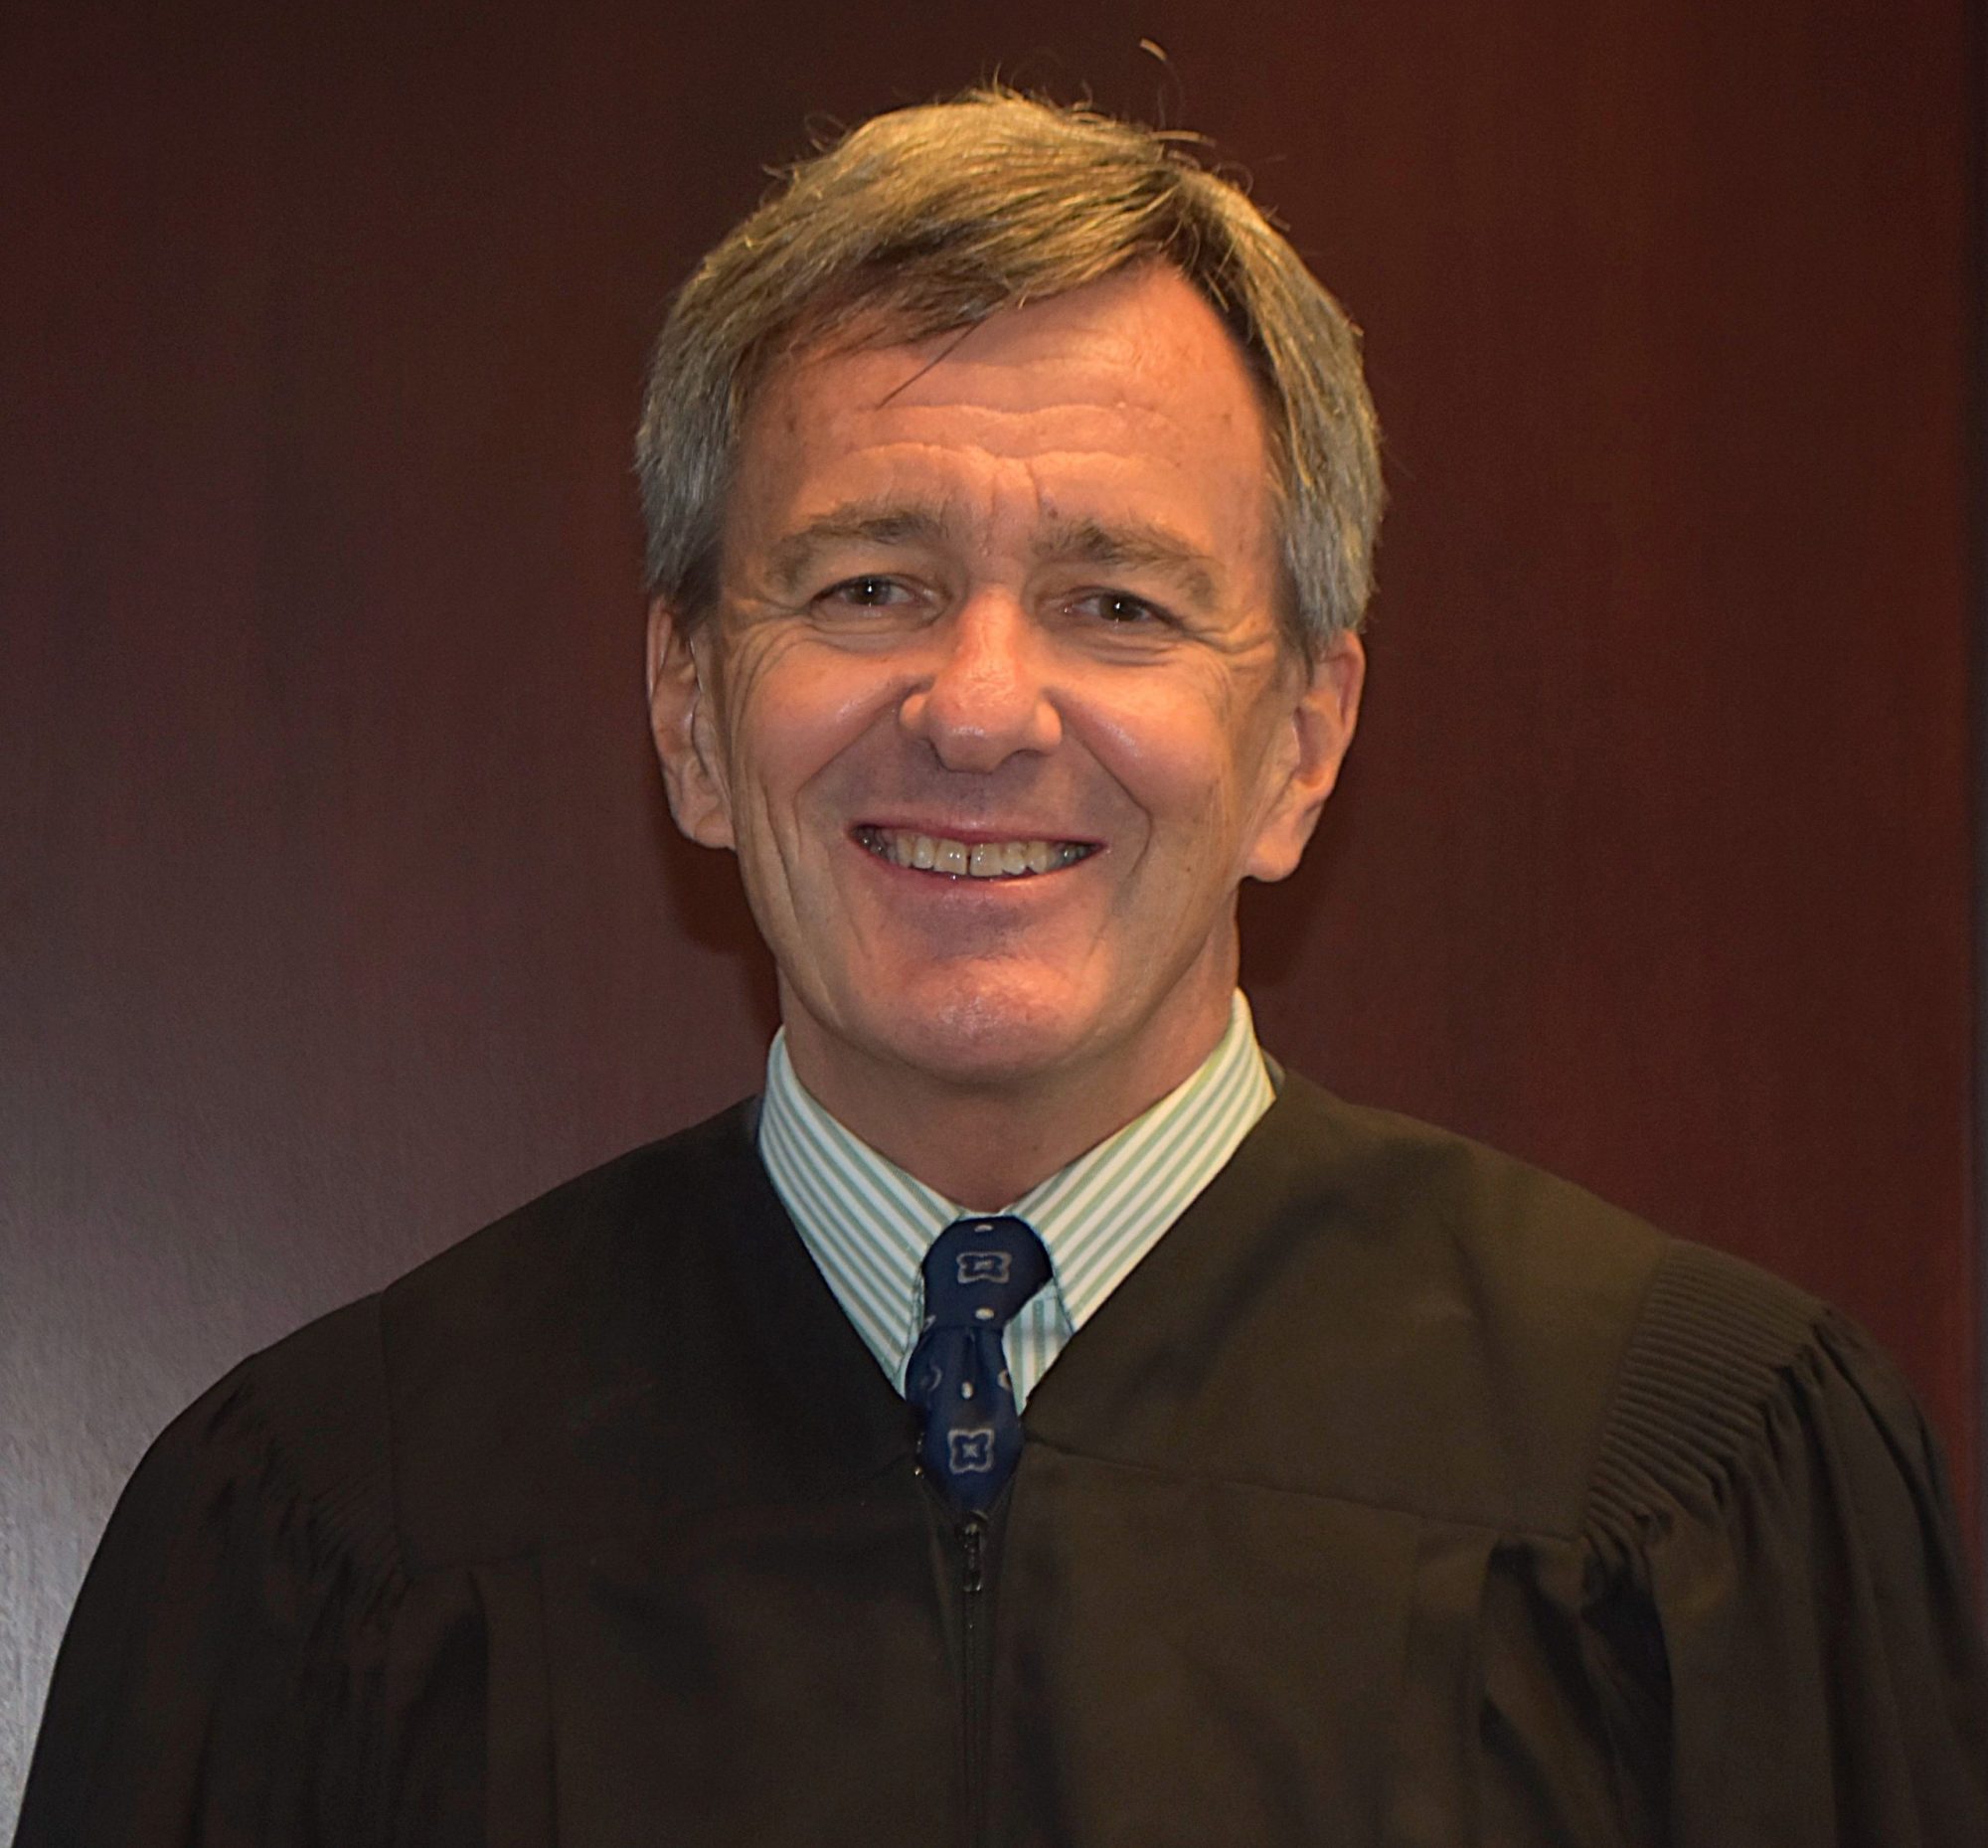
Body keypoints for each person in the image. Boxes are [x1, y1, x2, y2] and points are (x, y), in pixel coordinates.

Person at [17, 88, 1987, 1846]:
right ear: (690, 712)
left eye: (1115, 604)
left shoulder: (1692, 1490)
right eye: (869, 584)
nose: (976, 709)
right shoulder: (330, 1530)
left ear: (1301, 744)